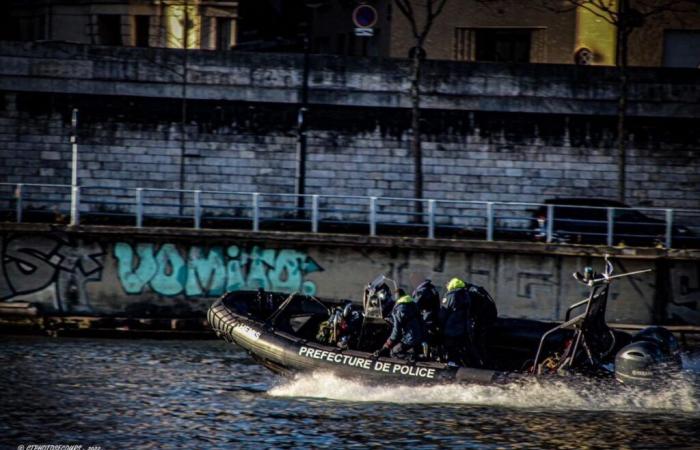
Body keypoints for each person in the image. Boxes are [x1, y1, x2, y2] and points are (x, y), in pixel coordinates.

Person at [373, 288, 424, 360]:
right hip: (419, 335)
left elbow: (396, 331)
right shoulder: (412, 304)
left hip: (410, 338)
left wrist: (386, 345)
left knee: (394, 352)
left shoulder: (398, 310)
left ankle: (412, 358)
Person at [412, 279, 440, 357]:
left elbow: (415, 304)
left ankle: (425, 355)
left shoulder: (422, 291)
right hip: (434, 315)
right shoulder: (432, 288)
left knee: (423, 335)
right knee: (431, 335)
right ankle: (433, 354)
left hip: (426, 316)